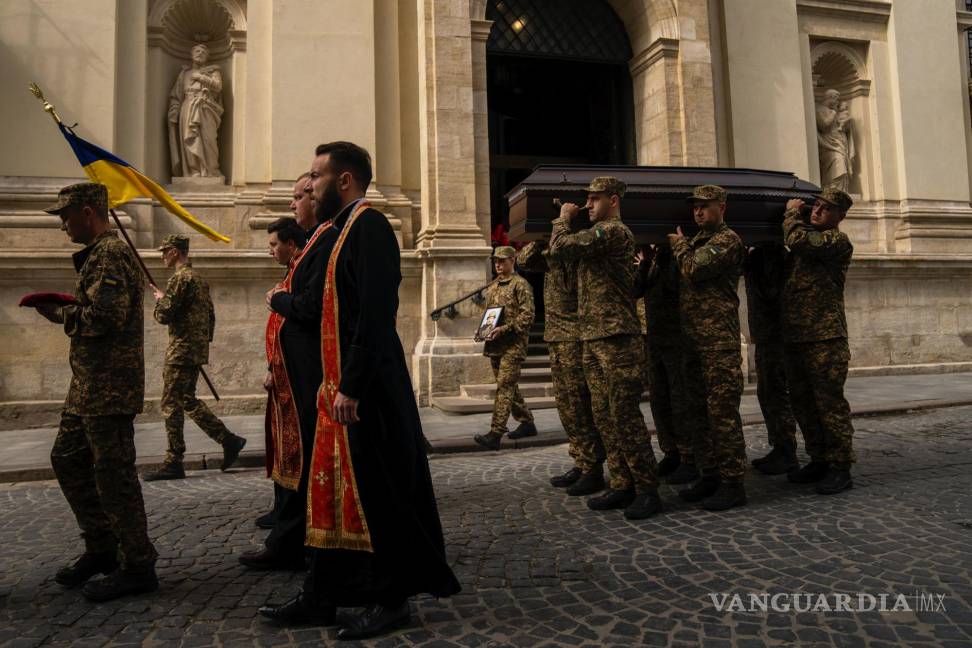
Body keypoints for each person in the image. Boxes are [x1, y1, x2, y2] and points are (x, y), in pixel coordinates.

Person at [258, 142, 459, 639]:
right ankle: (322, 596)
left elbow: (372, 313)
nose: (310, 184)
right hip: (337, 391)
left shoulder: (368, 226)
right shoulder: (341, 229)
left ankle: (391, 600)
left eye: (316, 176)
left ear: (344, 180)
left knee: (378, 494)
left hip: (365, 393)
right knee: (329, 496)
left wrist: (351, 386)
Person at [33, 182, 158, 601]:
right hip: (87, 386)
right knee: (67, 458)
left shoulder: (110, 252)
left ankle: (138, 564)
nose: (63, 224)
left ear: (89, 212)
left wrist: (62, 313)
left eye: (66, 215)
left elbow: (106, 317)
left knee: (114, 476)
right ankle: (102, 547)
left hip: (109, 388)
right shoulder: (99, 254)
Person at [240, 174, 339, 570]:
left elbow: (312, 308)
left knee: (302, 459)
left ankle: (293, 542)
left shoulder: (326, 240)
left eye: (301, 196)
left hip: (308, 377)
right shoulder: (315, 243)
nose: (293, 203)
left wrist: (281, 299)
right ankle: (289, 535)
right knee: (290, 458)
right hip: (290, 377)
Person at [549, 176, 662, 520]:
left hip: (616, 337)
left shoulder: (614, 232)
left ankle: (647, 489)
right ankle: (623, 483)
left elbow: (561, 248)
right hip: (591, 336)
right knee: (604, 416)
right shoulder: (595, 235)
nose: (587, 205)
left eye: (594, 200)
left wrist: (561, 219)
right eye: (586, 200)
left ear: (613, 200)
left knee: (624, 415)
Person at [669, 185, 748, 511]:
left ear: (722, 207)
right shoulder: (698, 241)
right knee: (697, 415)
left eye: (705, 206)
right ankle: (710, 473)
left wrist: (680, 246)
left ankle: (733, 483)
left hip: (718, 343)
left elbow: (695, 269)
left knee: (722, 415)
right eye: (695, 207)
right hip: (693, 342)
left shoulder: (728, 241)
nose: (698, 212)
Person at [143, 235, 246, 481]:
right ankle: (229, 440)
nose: (162, 256)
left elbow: (165, 315)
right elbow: (210, 315)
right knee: (187, 400)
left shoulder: (180, 278)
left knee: (171, 404)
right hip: (194, 348)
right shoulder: (198, 279)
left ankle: (173, 461)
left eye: (165, 251)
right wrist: (200, 344)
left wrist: (159, 301)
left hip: (181, 350)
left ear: (177, 252)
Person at [782, 188, 856, 494]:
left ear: (840, 216)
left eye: (826, 208)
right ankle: (819, 458)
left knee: (829, 405)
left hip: (826, 338)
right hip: (799, 336)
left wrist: (790, 213)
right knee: (803, 403)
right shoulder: (805, 247)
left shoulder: (837, 242)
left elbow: (798, 240)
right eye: (816, 205)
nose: (817, 210)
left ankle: (840, 466)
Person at [519, 239, 606, 494]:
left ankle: (593, 468)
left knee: (580, 405)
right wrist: (541, 236)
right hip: (556, 335)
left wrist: (561, 228)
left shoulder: (575, 245)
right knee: (567, 407)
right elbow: (524, 260)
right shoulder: (552, 248)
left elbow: (567, 250)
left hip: (575, 336)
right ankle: (581, 460)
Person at [634, 243, 701, 485]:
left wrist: (664, 255)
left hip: (676, 340)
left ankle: (689, 456)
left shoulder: (675, 256)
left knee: (679, 399)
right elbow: (636, 290)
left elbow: (677, 286)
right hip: (655, 339)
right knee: (659, 399)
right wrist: (644, 264)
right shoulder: (651, 259)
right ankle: (670, 451)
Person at [256, 215, 307, 530]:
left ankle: (288, 513)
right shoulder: (291, 272)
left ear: (291, 243)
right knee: (279, 441)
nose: (270, 251)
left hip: (292, 374)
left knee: (291, 444)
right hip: (280, 372)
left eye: (275, 244)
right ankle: (281, 508)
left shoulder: (300, 271)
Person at [473, 246, 537, 451]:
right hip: (495, 345)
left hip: (514, 345)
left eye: (502, 260)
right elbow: (490, 315)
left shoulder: (521, 285)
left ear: (513, 260)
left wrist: (505, 329)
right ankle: (527, 422)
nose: (498, 264)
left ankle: (496, 433)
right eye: (495, 261)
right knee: (509, 385)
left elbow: (528, 316)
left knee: (504, 387)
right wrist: (482, 331)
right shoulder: (493, 286)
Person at [744, 243, 799, 475]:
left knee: (777, 392)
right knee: (766, 392)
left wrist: (750, 262)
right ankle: (779, 447)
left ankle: (787, 451)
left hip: (776, 335)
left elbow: (770, 291)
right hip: (765, 335)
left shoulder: (774, 255)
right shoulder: (759, 255)